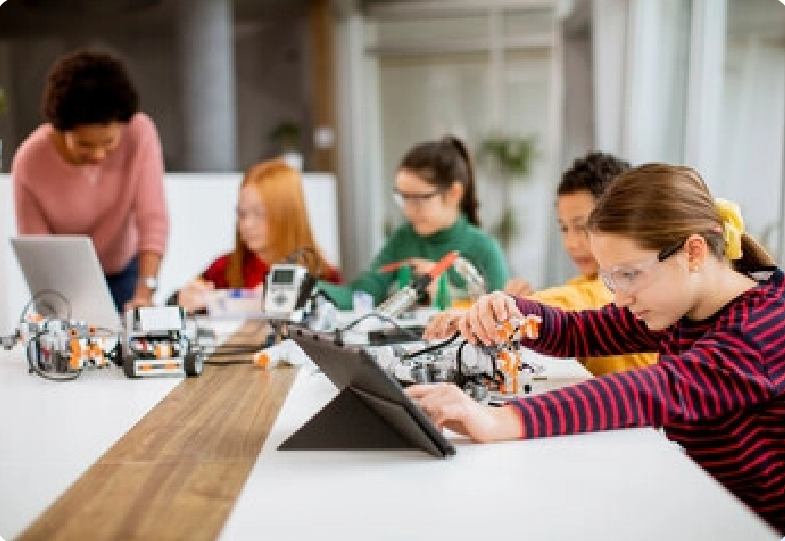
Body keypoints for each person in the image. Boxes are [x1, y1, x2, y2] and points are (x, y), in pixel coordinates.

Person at [405, 164, 785, 534]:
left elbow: (656, 389)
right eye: (610, 278)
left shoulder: (763, 328)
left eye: (629, 275)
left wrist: (500, 420)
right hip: (699, 500)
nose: (620, 298)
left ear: (694, 253)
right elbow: (581, 330)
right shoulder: (683, 305)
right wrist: (514, 314)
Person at [425, 152, 657, 375]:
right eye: (564, 228)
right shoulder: (581, 281)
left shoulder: (619, 289)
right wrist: (508, 304)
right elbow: (569, 302)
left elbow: (578, 303)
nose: (572, 243)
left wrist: (504, 308)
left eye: (583, 227)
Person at [12, 49, 168, 312]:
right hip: (68, 282)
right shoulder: (30, 161)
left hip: (125, 272)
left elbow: (152, 219)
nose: (98, 155)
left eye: (109, 143)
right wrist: (55, 308)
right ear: (61, 129)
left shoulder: (140, 133)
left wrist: (145, 292)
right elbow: (38, 251)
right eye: (84, 144)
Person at [318, 135, 508, 310]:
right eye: (403, 198)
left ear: (454, 193)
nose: (408, 210)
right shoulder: (403, 239)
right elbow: (362, 295)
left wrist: (447, 294)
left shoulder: (485, 250)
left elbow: (500, 319)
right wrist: (305, 286)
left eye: (418, 199)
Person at [175, 159, 342, 313]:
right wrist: (179, 302)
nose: (247, 224)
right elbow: (178, 308)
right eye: (241, 214)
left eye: (259, 213)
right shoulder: (221, 270)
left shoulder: (324, 277)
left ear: (288, 215)